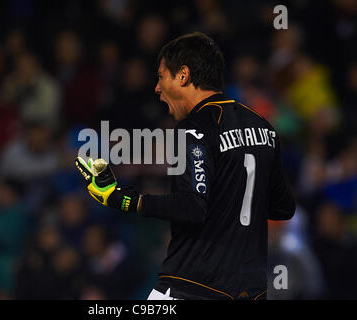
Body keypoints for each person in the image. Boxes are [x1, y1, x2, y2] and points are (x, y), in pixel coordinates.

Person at [75, 32, 296, 300]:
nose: (157, 88)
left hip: (193, 284)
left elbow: (192, 207)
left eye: (160, 76)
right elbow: (284, 207)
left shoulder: (194, 129)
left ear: (182, 75)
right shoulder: (263, 127)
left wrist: (127, 201)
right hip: (250, 289)